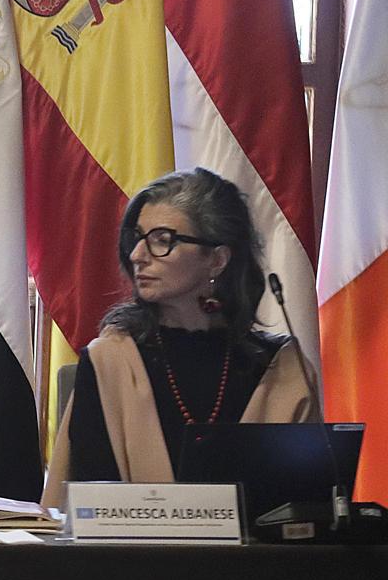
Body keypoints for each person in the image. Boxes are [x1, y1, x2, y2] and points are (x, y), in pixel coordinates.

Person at [41, 168, 317, 509]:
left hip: (256, 563)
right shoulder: (111, 359)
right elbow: (89, 508)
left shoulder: (284, 370)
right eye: (137, 238)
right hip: (133, 560)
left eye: (161, 240)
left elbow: (304, 513)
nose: (137, 255)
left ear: (217, 260)